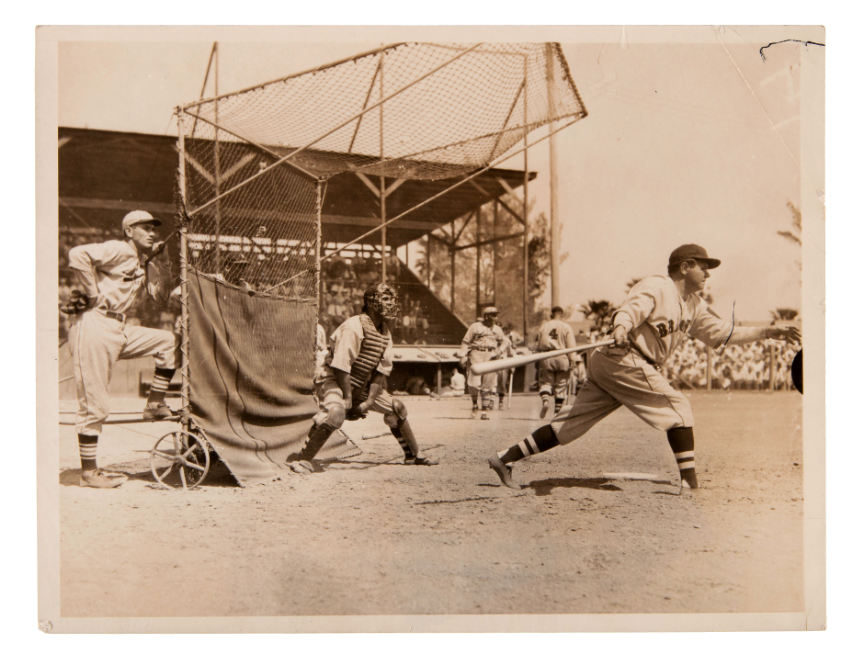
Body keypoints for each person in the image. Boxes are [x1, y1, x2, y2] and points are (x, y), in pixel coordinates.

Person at [487, 244, 800, 491]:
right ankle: (689, 483)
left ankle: (505, 458)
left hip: (616, 365)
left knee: (567, 427)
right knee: (678, 406)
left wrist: (768, 331)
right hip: (624, 357)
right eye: (704, 266)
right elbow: (629, 311)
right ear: (685, 266)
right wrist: (622, 326)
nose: (708, 274)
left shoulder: (693, 304)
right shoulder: (657, 287)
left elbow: (721, 334)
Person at [64, 210, 179, 489]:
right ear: (129, 231)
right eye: (144, 228)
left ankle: (154, 403)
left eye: (154, 228)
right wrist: (91, 291)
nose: (152, 233)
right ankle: (89, 473)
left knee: (167, 341)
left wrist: (161, 261)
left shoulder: (144, 263)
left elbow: (161, 299)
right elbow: (77, 254)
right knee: (96, 405)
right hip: (94, 324)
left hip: (118, 327)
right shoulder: (119, 249)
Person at [287, 282, 438, 471]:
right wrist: (349, 398)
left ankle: (413, 456)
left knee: (397, 408)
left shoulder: (385, 333)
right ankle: (304, 459)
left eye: (392, 299)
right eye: (385, 298)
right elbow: (341, 366)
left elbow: (380, 373)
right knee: (336, 412)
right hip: (333, 379)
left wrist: (367, 403)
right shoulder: (353, 326)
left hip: (361, 384)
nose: (391, 303)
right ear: (371, 302)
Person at [534, 306, 583, 418]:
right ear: (562, 314)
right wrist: (573, 359)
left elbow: (538, 345)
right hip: (562, 355)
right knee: (561, 384)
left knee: (546, 382)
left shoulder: (544, 326)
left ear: (551, 314)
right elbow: (571, 345)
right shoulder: (566, 326)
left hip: (546, 355)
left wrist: (537, 359)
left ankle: (545, 401)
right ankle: (557, 411)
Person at [458, 306, 506, 420]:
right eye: (493, 314)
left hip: (491, 355)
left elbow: (504, 342)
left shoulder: (498, 329)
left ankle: (484, 411)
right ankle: (475, 405)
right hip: (476, 354)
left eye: (496, 314)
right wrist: (462, 355)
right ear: (486, 315)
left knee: (488, 385)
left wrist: (499, 351)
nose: (495, 317)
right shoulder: (475, 326)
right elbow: (465, 341)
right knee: (473, 383)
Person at [496, 323, 516, 409]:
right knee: (491, 384)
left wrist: (512, 366)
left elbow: (511, 354)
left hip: (502, 363)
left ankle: (501, 401)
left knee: (502, 383)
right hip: (491, 363)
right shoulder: (490, 339)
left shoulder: (507, 341)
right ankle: (489, 402)